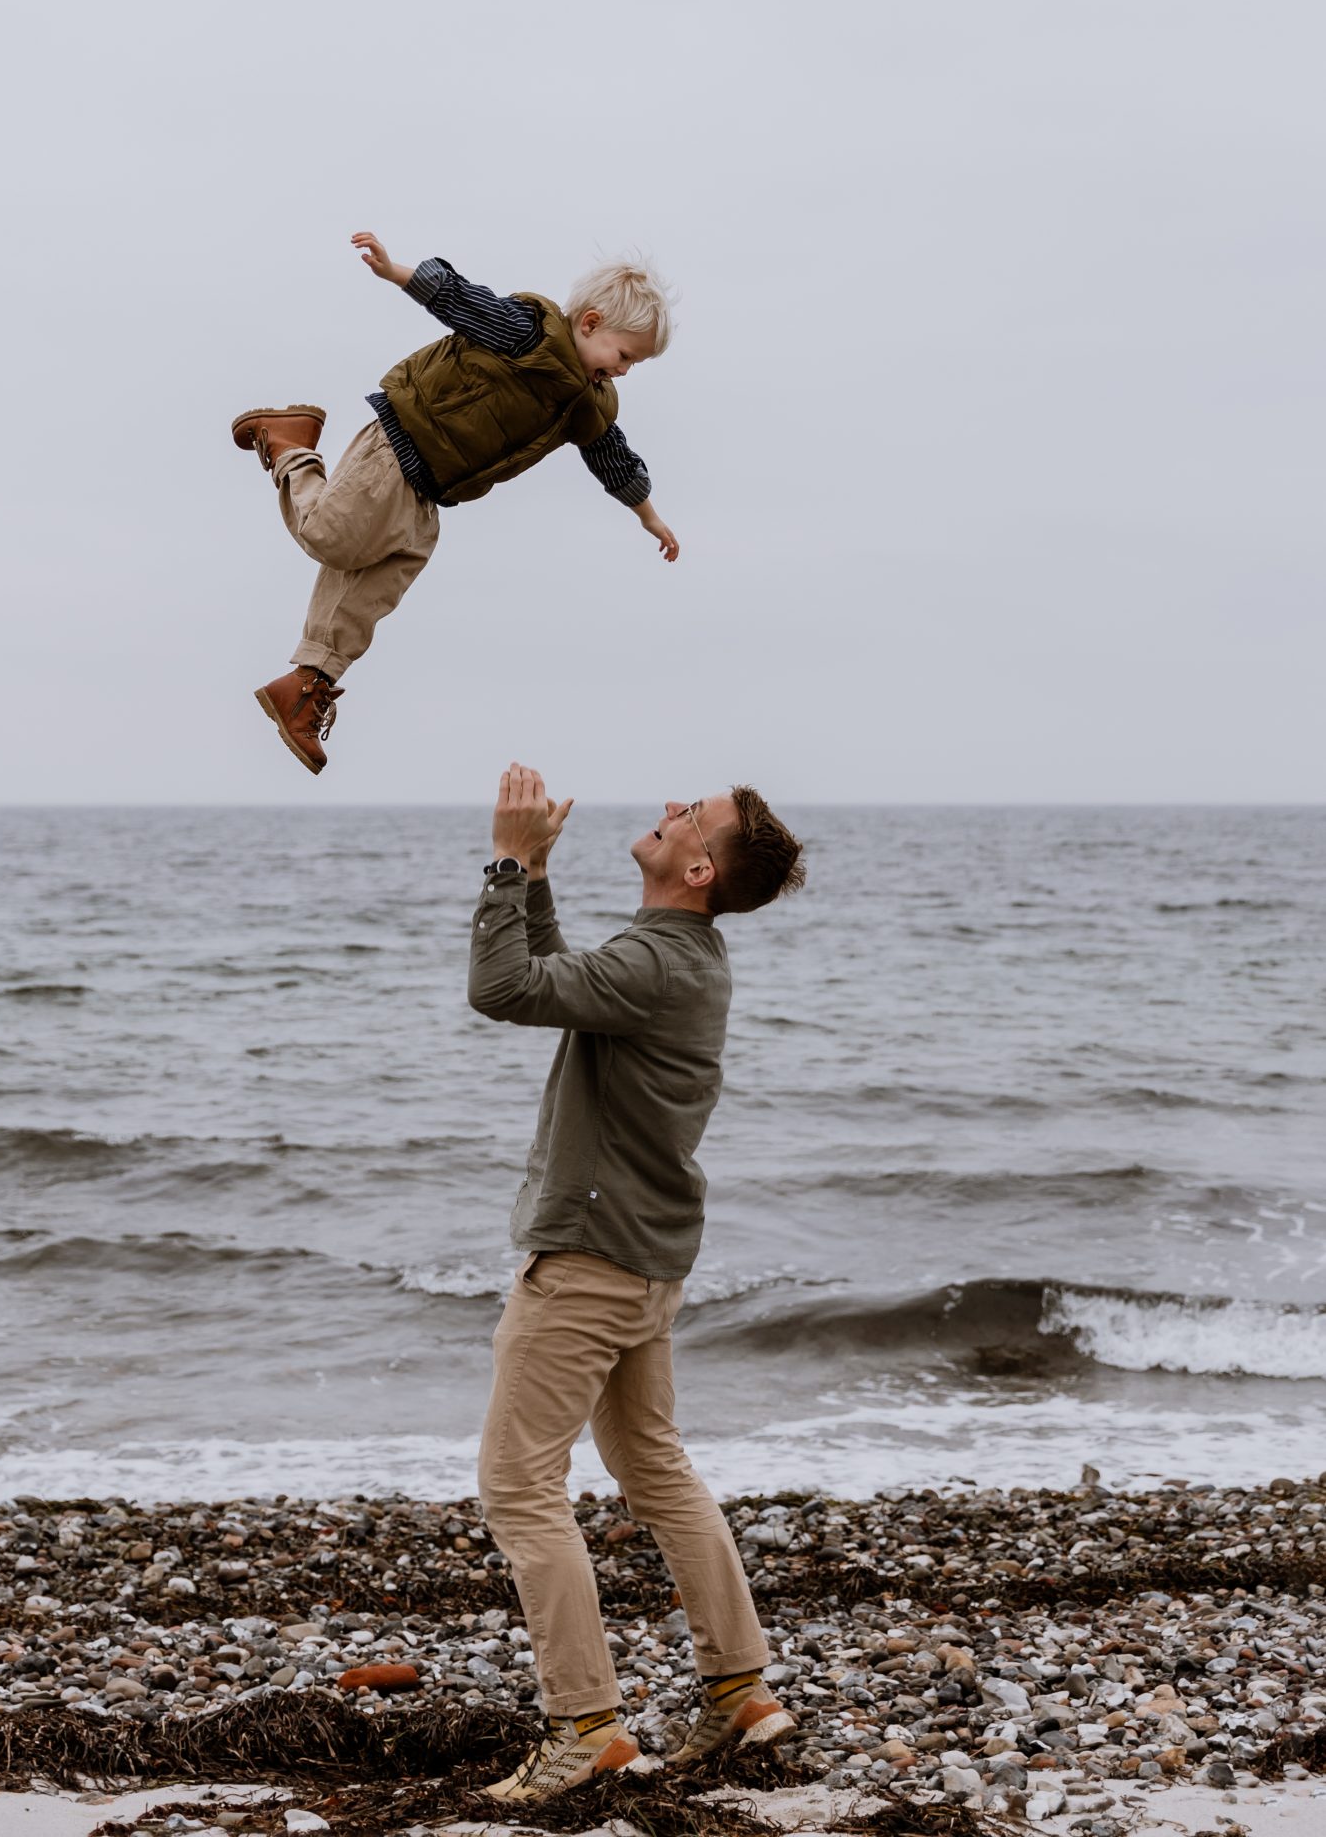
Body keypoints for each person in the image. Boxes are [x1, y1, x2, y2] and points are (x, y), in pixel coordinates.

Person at [467, 764, 806, 1803]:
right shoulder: (675, 955)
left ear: (698, 866)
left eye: (688, 816)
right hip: (645, 1258)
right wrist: (540, 876)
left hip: (590, 1261)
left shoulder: (659, 959)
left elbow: (507, 988)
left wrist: (511, 862)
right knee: (653, 1466)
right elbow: (567, 974)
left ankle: (585, 1723)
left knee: (519, 1486)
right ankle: (741, 1691)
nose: (668, 809)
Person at [230, 235, 679, 773]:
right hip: (397, 448)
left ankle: (306, 684)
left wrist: (648, 516)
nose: (626, 369)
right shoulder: (527, 333)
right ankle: (292, 446)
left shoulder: (588, 404)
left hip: (432, 493)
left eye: (636, 364)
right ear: (589, 323)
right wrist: (396, 271)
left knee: (372, 588)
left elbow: (614, 459)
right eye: (625, 354)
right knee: (330, 537)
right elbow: (461, 298)